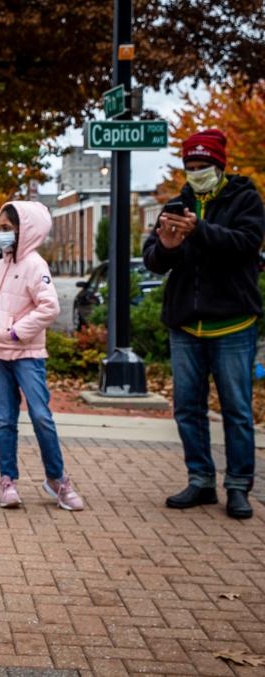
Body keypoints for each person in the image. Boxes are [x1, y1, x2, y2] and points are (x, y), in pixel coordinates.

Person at [142, 128, 265, 520]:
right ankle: (200, 480)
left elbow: (247, 243)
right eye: (190, 166)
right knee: (187, 409)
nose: (196, 172)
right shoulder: (177, 204)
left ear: (219, 165)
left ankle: (238, 485)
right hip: (186, 327)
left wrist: (202, 230)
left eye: (203, 166)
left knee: (237, 409)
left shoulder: (244, 198)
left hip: (233, 323)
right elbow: (153, 259)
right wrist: (167, 247)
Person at [0, 201, 85, 511]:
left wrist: (15, 332)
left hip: (27, 353)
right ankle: (8, 480)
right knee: (5, 420)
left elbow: (49, 307)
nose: (2, 234)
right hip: (1, 352)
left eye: (7, 229)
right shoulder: (0, 265)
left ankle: (57, 480)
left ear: (25, 231)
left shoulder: (36, 265)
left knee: (41, 416)